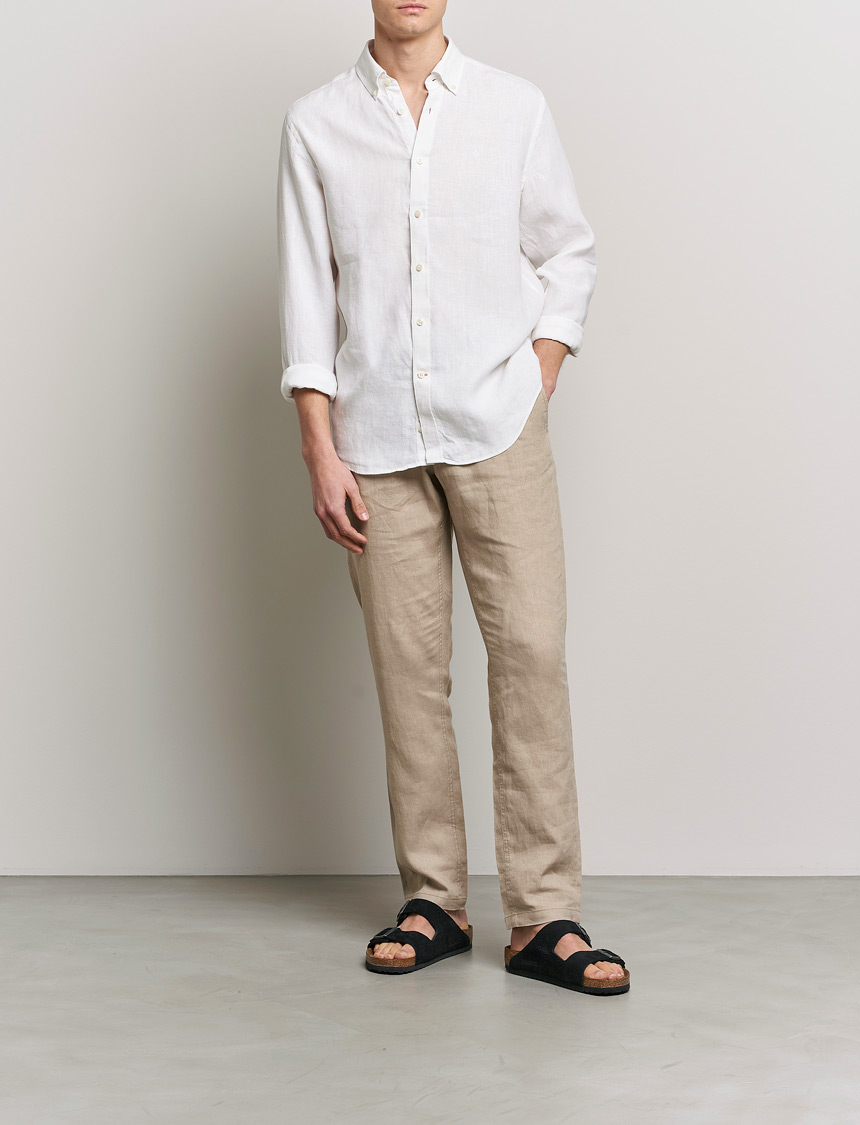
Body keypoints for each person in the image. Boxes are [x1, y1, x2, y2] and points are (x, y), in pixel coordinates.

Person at [276, 0, 629, 996]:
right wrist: (318, 448)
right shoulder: (316, 123)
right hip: (374, 440)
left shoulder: (514, 108)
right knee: (406, 672)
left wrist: (540, 372)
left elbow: (568, 251)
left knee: (531, 654)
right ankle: (433, 900)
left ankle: (545, 916)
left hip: (496, 425)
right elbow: (307, 293)